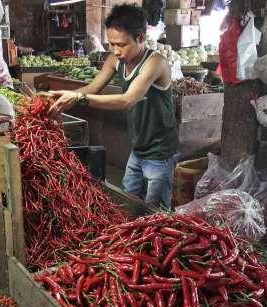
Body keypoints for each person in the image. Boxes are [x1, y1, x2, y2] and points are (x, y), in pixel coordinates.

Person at [48, 3, 178, 210]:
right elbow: (93, 87)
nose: (116, 51)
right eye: (111, 44)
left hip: (160, 151)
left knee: (156, 212)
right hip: (138, 147)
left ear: (141, 38)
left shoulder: (156, 63)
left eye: (122, 44)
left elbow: (127, 100)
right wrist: (63, 95)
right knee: (127, 202)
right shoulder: (115, 60)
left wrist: (79, 98)